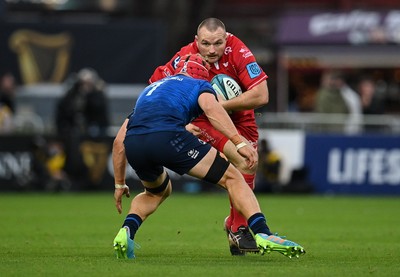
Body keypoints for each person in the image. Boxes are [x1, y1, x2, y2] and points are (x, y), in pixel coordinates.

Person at [112, 54, 305, 260]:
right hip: (168, 137)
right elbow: (211, 109)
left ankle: (127, 231)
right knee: (233, 178)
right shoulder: (199, 84)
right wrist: (238, 141)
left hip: (135, 142)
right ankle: (262, 232)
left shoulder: (151, 89)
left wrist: (119, 183)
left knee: (156, 192)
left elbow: (118, 142)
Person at [149, 17, 269, 255]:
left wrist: (221, 105)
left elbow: (261, 95)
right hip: (206, 117)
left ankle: (234, 226)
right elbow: (155, 86)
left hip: (239, 115)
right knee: (243, 160)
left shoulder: (238, 50)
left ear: (227, 39)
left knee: (249, 164)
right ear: (196, 41)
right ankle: (239, 228)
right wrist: (183, 121)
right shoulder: (185, 56)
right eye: (206, 44)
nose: (212, 50)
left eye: (218, 43)